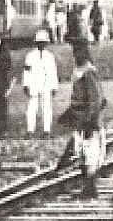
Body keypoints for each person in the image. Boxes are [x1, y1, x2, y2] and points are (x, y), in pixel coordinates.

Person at [56, 48, 107, 198]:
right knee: (83, 153)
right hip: (81, 120)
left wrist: (90, 120)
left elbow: (95, 100)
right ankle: (88, 186)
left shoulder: (88, 74)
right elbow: (79, 99)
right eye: (75, 54)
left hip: (89, 122)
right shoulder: (80, 73)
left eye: (79, 54)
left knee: (90, 154)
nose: (76, 57)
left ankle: (90, 188)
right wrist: (69, 115)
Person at [22, 29, 59, 136]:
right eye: (39, 42)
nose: (41, 45)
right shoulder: (30, 55)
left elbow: (53, 72)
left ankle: (46, 130)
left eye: (43, 42)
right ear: (36, 43)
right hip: (34, 83)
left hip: (46, 84)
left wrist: (54, 86)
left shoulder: (50, 56)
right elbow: (27, 71)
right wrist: (26, 84)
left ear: (47, 43)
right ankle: (30, 130)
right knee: (32, 107)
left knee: (47, 107)